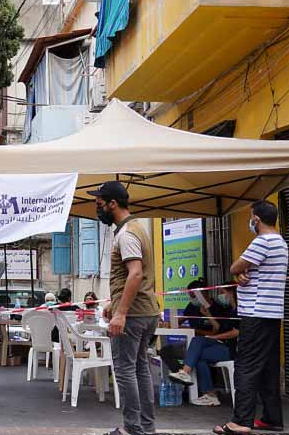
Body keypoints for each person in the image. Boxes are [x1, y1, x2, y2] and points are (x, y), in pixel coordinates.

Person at [90, 181, 160, 435]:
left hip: (134, 314)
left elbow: (135, 274)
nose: (97, 210)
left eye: (99, 205)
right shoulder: (137, 229)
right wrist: (114, 302)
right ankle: (145, 427)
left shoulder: (127, 233)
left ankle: (132, 428)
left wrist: (121, 312)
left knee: (125, 370)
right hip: (145, 311)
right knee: (140, 368)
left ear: (113, 204)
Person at [214, 201, 287, 435]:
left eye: (251, 217)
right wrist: (241, 276)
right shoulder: (280, 242)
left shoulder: (262, 241)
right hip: (272, 313)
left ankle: (241, 421)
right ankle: (271, 418)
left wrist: (237, 272)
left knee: (245, 366)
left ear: (256, 219)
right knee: (268, 367)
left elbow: (235, 266)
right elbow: (247, 271)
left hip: (255, 314)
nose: (250, 220)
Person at [168, 286, 239, 407]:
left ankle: (188, 374)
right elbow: (218, 328)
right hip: (221, 345)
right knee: (198, 349)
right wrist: (207, 315)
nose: (220, 295)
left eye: (222, 292)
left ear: (231, 293)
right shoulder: (229, 310)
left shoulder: (239, 310)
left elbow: (236, 332)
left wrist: (214, 338)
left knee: (197, 351)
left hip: (232, 349)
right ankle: (208, 394)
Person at [158, 279, 227, 373]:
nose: (193, 299)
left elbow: (216, 332)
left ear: (204, 293)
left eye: (194, 296)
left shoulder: (217, 309)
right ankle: (181, 374)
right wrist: (168, 323)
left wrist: (194, 330)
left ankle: (186, 374)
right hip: (192, 341)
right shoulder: (192, 306)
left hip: (209, 343)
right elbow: (180, 320)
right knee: (165, 351)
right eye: (190, 297)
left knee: (197, 356)